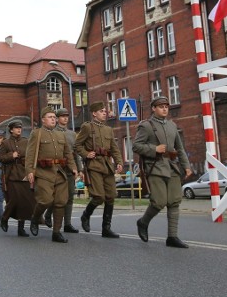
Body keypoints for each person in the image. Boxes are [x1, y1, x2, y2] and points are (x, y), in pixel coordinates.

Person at [132, 96, 193, 249]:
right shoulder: (146, 126)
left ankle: (172, 237)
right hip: (155, 167)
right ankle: (143, 222)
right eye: (161, 106)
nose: (165, 109)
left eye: (166, 106)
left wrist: (186, 166)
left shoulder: (172, 125)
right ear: (153, 108)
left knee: (174, 201)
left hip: (172, 166)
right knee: (159, 201)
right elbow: (136, 146)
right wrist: (154, 149)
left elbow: (180, 148)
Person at [75, 101, 124, 238]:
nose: (104, 113)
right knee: (99, 197)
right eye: (102, 111)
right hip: (94, 165)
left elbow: (114, 148)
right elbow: (77, 145)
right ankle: (86, 215)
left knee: (111, 196)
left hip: (107, 165)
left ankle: (106, 228)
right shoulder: (87, 127)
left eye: (105, 111)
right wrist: (86, 154)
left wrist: (119, 162)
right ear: (94, 113)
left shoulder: (108, 129)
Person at [26, 106, 75, 243]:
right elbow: (30, 154)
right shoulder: (37, 133)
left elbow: (67, 154)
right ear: (43, 120)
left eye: (54, 117)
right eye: (50, 117)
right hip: (43, 173)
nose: (53, 119)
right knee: (46, 200)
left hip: (59, 172)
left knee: (60, 202)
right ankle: (35, 218)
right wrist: (30, 170)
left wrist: (73, 167)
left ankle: (56, 232)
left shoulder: (61, 135)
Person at [43, 108, 81, 234]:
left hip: (69, 168)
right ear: (57, 118)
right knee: (55, 197)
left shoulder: (72, 134)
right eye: (62, 116)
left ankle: (68, 224)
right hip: (56, 168)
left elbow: (75, 153)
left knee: (69, 197)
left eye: (67, 116)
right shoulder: (52, 131)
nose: (65, 118)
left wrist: (78, 169)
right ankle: (48, 214)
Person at [0, 120, 33, 237]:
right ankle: (4, 218)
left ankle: (21, 228)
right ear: (11, 130)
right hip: (11, 174)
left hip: (23, 174)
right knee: (13, 200)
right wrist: (10, 156)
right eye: (16, 128)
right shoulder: (6, 143)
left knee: (24, 201)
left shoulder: (26, 142)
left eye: (20, 128)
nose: (19, 130)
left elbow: (30, 157)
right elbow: (0, 157)